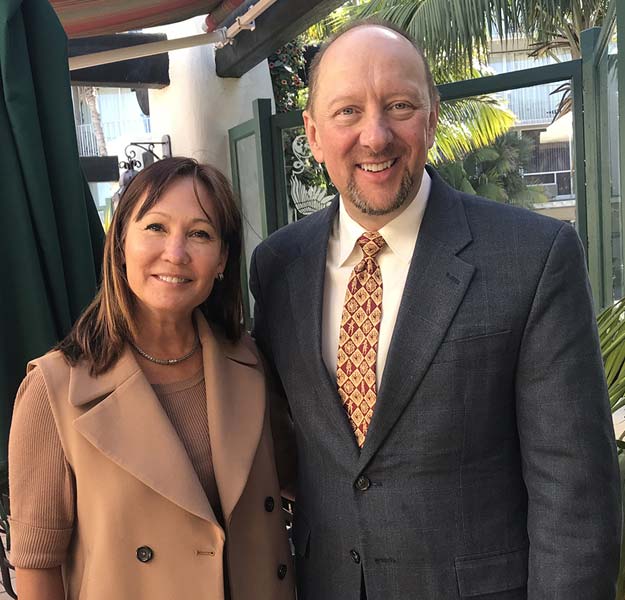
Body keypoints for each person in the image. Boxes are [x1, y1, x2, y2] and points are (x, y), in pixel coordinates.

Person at [250, 20, 621, 600]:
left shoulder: (531, 257)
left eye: (398, 105)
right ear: (313, 134)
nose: (374, 137)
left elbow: (575, 491)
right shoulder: (278, 268)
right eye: (347, 111)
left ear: (432, 116)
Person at [9, 157, 295, 600]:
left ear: (222, 260)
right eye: (156, 227)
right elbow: (37, 566)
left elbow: (291, 479)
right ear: (120, 242)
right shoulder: (55, 389)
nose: (175, 253)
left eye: (200, 234)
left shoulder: (252, 363)